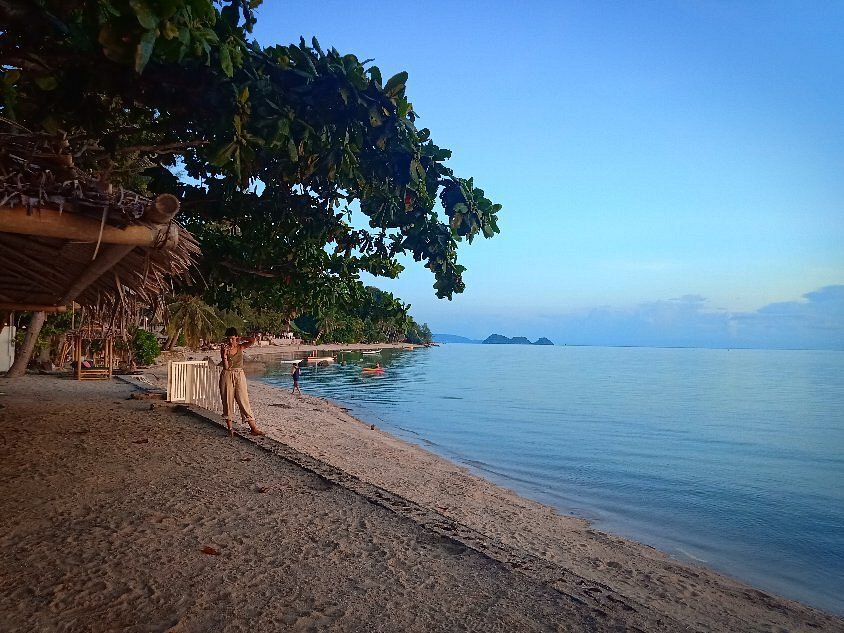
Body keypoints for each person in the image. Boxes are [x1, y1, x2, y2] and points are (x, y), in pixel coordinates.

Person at [219, 327, 264, 438]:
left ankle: (253, 428)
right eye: (229, 339)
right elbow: (226, 367)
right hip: (227, 374)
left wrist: (241, 338)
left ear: (236, 338)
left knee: (243, 400)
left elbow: (252, 340)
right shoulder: (225, 349)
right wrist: (224, 355)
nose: (231, 341)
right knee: (227, 401)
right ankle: (230, 429)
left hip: (239, 374)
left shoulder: (240, 347)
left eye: (233, 338)